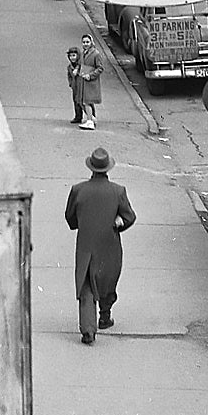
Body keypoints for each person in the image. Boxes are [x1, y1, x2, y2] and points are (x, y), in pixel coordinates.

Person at [65, 147, 136, 344]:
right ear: (107, 169)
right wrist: (117, 224)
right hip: (109, 244)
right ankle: (104, 315)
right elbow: (130, 217)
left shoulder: (78, 190)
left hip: (86, 244)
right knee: (107, 280)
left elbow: (70, 217)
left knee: (87, 284)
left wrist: (83, 222)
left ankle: (88, 330)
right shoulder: (118, 191)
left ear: (91, 168)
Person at [75, 34, 104, 130]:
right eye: (84, 42)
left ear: (91, 42)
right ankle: (91, 118)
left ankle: (90, 121)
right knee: (82, 100)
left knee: (87, 101)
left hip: (90, 82)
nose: (85, 44)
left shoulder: (96, 54)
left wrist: (90, 75)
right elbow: (80, 64)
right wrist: (77, 69)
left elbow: (100, 68)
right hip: (83, 80)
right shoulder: (84, 53)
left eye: (87, 42)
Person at [65, 47, 85, 124]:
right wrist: (71, 83)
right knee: (76, 101)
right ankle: (78, 116)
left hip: (82, 86)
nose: (72, 58)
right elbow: (69, 76)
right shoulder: (69, 67)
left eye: (74, 55)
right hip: (75, 87)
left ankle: (91, 116)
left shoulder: (80, 66)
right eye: (70, 56)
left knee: (85, 101)